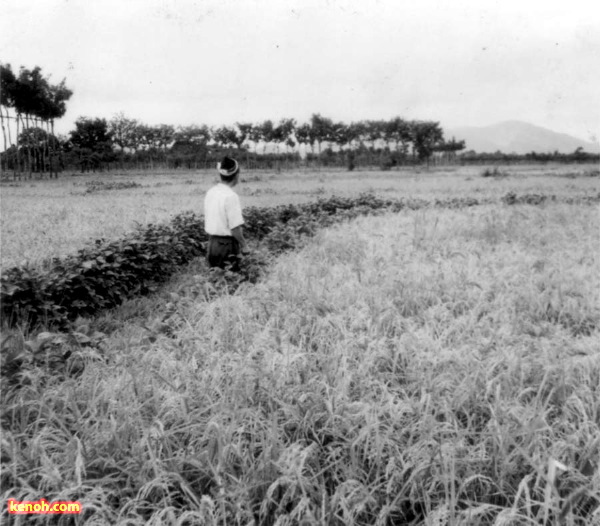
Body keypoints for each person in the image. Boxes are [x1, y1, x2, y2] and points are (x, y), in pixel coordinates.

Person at [204, 156, 249, 270]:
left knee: (215, 280)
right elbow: (235, 228)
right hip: (227, 246)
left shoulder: (211, 192)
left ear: (221, 175)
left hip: (212, 244)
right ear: (237, 175)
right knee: (230, 280)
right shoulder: (231, 196)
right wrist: (244, 245)